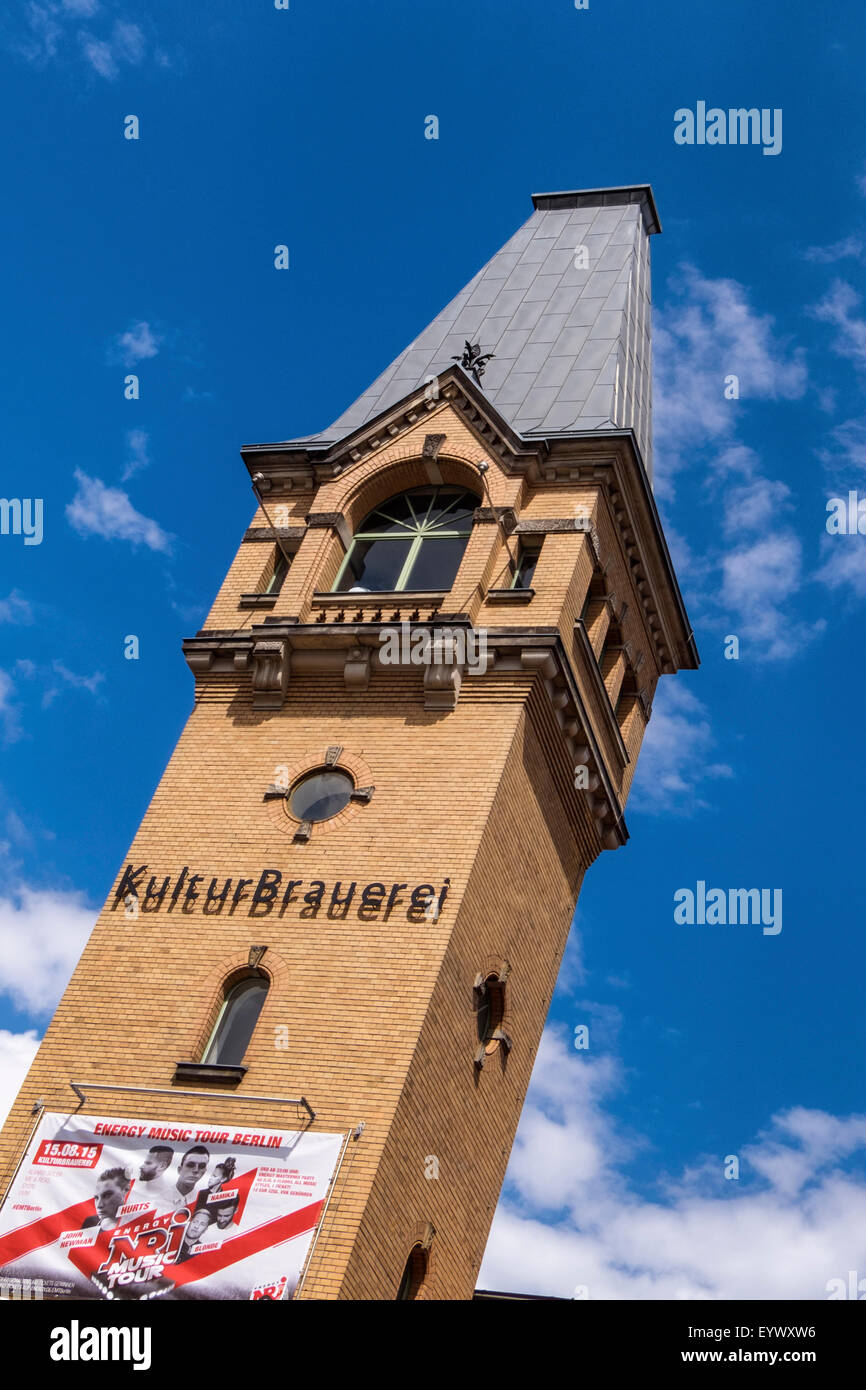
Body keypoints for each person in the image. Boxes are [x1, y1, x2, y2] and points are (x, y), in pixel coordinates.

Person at [132, 1145, 176, 1212]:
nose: (141, 1167)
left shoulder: (173, 1200)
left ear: (162, 1166)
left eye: (148, 1163)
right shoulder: (133, 1194)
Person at [166, 1144, 210, 1210]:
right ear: (179, 1169)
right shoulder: (158, 1197)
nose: (196, 1170)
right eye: (190, 1165)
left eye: (201, 1166)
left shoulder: (204, 1202)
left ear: (205, 1171)